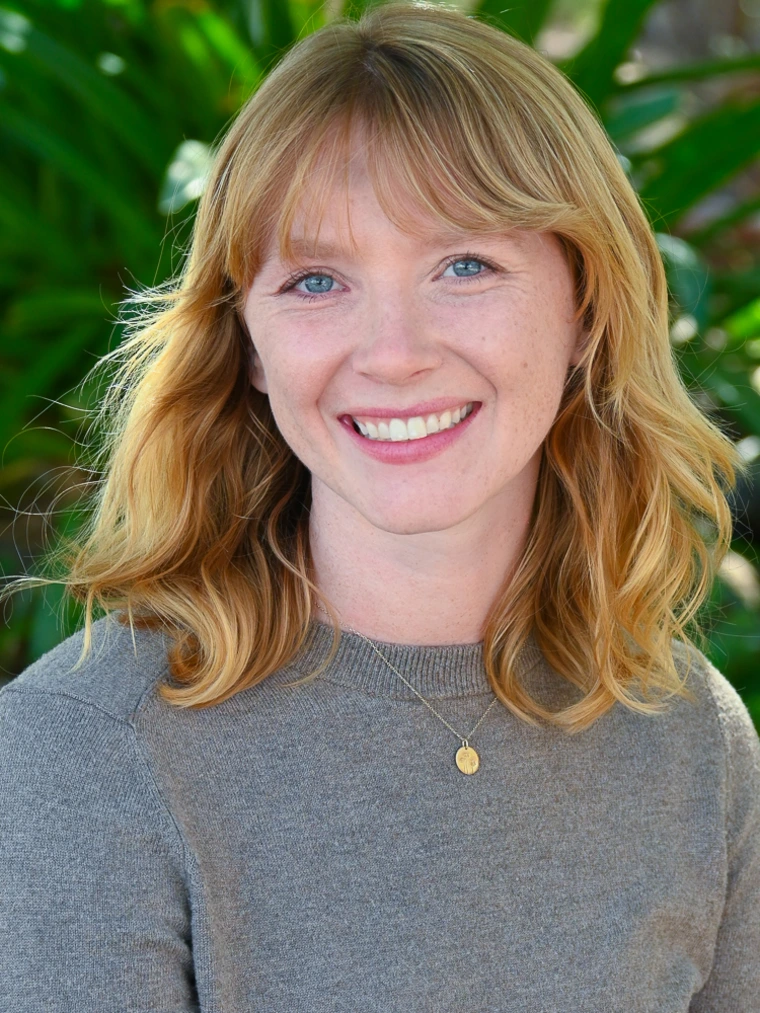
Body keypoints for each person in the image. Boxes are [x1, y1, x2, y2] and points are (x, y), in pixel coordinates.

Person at [1, 2, 758, 1010]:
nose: (393, 351)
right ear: (249, 348)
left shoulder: (689, 738)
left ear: (586, 309)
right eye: (317, 279)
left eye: (464, 265)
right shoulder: (85, 748)